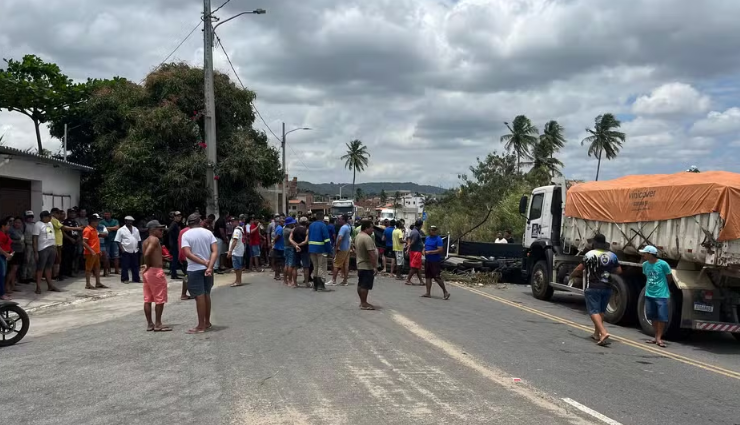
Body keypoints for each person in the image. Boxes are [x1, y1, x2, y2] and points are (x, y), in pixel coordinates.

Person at [569, 234, 621, 346]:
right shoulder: (612, 255)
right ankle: (596, 334)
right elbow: (619, 271)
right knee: (601, 311)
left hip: (593, 286)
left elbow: (579, 268)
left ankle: (603, 332)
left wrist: (572, 275)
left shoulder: (590, 254)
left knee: (593, 311)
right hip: (607, 287)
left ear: (595, 243)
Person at [181, 213, 218, 334]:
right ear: (200, 221)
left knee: (199, 296)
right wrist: (209, 266)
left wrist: (203, 263)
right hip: (208, 268)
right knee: (207, 294)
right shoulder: (208, 233)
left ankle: (201, 325)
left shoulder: (186, 234)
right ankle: (207, 322)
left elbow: (188, 254)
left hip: (194, 268)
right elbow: (214, 251)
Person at [142, 220, 172, 332]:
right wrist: (148, 264)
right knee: (160, 299)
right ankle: (158, 323)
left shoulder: (145, 241)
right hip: (155, 271)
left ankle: (150, 323)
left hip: (148, 272)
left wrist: (147, 265)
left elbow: (148, 254)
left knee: (148, 299)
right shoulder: (155, 239)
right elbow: (147, 254)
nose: (162, 231)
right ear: (152, 230)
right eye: (160, 229)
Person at [640, 245, 673, 348]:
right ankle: (655, 336)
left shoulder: (663, 264)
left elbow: (669, 277)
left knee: (661, 317)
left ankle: (659, 338)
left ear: (650, 254)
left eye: (645, 253)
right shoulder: (645, 265)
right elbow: (647, 276)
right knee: (652, 316)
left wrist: (664, 287)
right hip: (649, 294)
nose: (643, 255)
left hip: (661, 295)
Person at [33, 211, 61, 294]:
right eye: (49, 217)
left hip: (51, 246)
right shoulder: (38, 225)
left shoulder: (50, 224)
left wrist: (55, 248)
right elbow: (35, 239)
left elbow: (52, 235)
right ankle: (38, 286)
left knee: (49, 267)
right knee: (40, 268)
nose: (50, 218)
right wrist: (35, 252)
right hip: (43, 248)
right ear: (44, 217)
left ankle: (50, 285)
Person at [421, 225, 450, 300]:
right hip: (428, 260)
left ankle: (445, 292)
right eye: (431, 230)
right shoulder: (427, 238)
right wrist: (423, 251)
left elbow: (440, 250)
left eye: (434, 230)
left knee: (437, 277)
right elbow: (424, 246)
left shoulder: (438, 239)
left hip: (435, 261)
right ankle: (428, 293)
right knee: (428, 277)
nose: (432, 232)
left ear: (436, 231)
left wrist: (430, 252)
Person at [355, 220, 378, 310]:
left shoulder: (358, 236)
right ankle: (364, 303)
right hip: (366, 265)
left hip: (360, 263)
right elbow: (371, 254)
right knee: (365, 285)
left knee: (360, 284)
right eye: (371, 227)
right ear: (366, 228)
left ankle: (362, 302)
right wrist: (375, 266)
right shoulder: (367, 238)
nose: (373, 230)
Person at [81, 213, 108, 290]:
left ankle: (98, 283)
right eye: (96, 221)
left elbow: (96, 241)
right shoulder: (87, 230)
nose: (98, 223)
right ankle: (88, 284)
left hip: (96, 252)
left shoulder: (95, 229)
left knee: (97, 267)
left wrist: (98, 250)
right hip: (90, 253)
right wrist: (91, 250)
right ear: (92, 221)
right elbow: (83, 242)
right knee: (88, 268)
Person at [307, 215, 331, 291]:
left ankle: (315, 285)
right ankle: (321, 285)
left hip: (311, 249)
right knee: (321, 266)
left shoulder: (311, 225)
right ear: (322, 219)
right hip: (321, 249)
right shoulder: (323, 225)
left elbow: (309, 236)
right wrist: (329, 250)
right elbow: (326, 239)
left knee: (315, 266)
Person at [115, 216, 142, 283]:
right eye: (128, 221)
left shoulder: (136, 229)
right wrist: (122, 250)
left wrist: (139, 248)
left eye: (131, 221)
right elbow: (118, 241)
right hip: (125, 250)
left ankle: (136, 279)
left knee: (135, 265)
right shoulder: (121, 230)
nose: (130, 222)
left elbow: (138, 239)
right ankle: (124, 279)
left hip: (135, 250)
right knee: (125, 266)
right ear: (125, 221)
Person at [330, 215, 352, 286]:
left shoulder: (343, 228)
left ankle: (333, 280)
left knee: (336, 264)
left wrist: (337, 247)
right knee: (346, 265)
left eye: (339, 219)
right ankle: (345, 281)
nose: (338, 220)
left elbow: (340, 238)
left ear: (343, 220)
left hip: (342, 248)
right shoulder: (348, 226)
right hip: (347, 248)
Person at [6, 217, 25, 295]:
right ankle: (6, 286)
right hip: (14, 251)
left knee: (15, 270)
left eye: (19, 222)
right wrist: (17, 242)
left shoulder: (20, 229)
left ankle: (13, 285)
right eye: (16, 222)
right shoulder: (10, 230)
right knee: (13, 269)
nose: (17, 224)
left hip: (20, 251)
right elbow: (8, 240)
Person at [61, 209, 82, 278]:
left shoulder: (75, 222)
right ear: (68, 214)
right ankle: (64, 273)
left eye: (74, 213)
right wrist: (70, 239)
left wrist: (79, 237)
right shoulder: (65, 222)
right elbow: (63, 232)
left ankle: (70, 272)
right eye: (71, 213)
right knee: (66, 258)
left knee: (72, 257)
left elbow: (78, 231)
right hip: (67, 242)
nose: (73, 214)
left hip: (75, 242)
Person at [290, 216, 310, 287]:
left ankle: (295, 283)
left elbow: (290, 239)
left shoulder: (294, 229)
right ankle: (307, 283)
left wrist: (296, 245)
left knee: (295, 267)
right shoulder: (307, 230)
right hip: (304, 250)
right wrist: (300, 244)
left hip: (296, 250)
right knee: (306, 267)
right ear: (306, 222)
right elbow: (306, 241)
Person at [227, 216, 246, 287]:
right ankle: (237, 280)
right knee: (238, 267)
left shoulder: (236, 230)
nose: (232, 223)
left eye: (233, 221)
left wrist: (230, 251)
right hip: (239, 250)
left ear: (237, 221)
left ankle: (238, 281)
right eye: (231, 221)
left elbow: (235, 241)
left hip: (236, 251)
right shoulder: (240, 229)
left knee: (237, 267)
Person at [405, 220, 425, 286]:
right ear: (420, 225)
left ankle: (421, 281)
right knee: (414, 267)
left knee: (418, 267)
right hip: (416, 252)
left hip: (416, 251)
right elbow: (412, 241)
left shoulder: (414, 231)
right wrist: (408, 247)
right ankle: (408, 279)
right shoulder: (416, 233)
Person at [101, 211, 121, 275]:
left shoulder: (115, 221)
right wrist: (112, 228)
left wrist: (106, 228)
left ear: (111, 214)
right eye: (105, 214)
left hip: (114, 240)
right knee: (106, 256)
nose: (107, 215)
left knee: (116, 256)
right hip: (106, 241)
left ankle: (116, 270)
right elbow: (101, 229)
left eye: (108, 214)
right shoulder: (102, 222)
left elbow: (117, 228)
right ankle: (108, 271)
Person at [0, 217, 14, 300]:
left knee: (3, 274)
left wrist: (10, 253)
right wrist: (6, 254)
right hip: (2, 255)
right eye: (8, 225)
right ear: (3, 226)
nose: (9, 226)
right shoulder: (0, 234)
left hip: (5, 255)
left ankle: (2, 292)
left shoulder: (6, 234)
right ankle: (1, 293)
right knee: (1, 275)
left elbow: (8, 245)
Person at [22, 211, 36, 282]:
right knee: (26, 261)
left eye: (31, 217)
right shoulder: (24, 225)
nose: (30, 218)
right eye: (28, 217)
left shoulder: (34, 225)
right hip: (27, 244)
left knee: (32, 261)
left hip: (34, 245)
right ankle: (24, 277)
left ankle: (30, 276)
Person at [282, 217, 297, 287]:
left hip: (285, 247)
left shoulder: (284, 229)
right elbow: (294, 231)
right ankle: (290, 281)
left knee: (286, 264)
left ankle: (285, 280)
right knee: (290, 265)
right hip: (290, 247)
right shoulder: (289, 230)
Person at [168, 212, 183, 279]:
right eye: (177, 216)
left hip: (175, 243)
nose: (179, 218)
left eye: (180, 216)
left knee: (175, 259)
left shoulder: (176, 224)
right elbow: (169, 231)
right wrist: (175, 237)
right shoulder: (174, 224)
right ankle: (173, 274)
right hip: (174, 244)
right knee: (175, 259)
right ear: (175, 217)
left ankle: (174, 273)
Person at [272, 217, 285, 281]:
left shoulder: (278, 228)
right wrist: (273, 242)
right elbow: (277, 237)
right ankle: (277, 275)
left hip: (278, 247)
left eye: (284, 221)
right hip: (279, 248)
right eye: (282, 221)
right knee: (279, 263)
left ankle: (277, 274)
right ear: (279, 222)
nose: (283, 223)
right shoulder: (280, 229)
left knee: (278, 262)